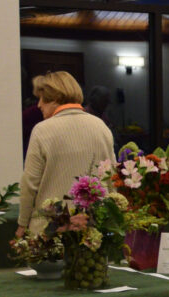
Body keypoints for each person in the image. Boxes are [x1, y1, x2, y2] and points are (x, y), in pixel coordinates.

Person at [19, 72, 115, 234]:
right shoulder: (101, 127)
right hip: (93, 229)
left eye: (42, 99)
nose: (39, 105)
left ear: (55, 99)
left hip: (51, 230)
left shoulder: (42, 130)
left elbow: (30, 183)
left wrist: (22, 223)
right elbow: (111, 177)